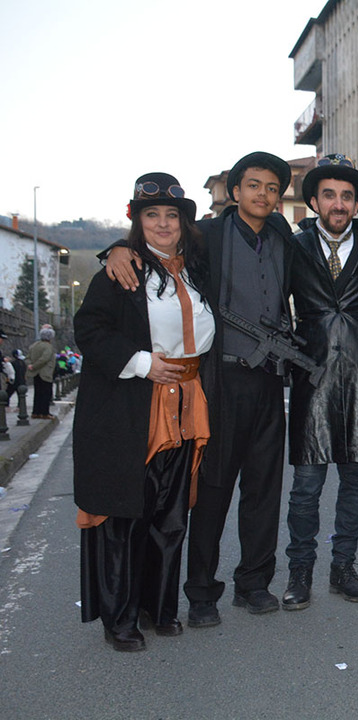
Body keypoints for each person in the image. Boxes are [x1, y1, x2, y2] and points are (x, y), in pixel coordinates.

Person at [106, 151, 297, 627]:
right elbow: (156, 242)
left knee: (264, 489)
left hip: (270, 380)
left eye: (272, 188)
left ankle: (254, 583)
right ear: (235, 191)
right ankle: (202, 592)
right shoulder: (206, 235)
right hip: (220, 380)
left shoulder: (283, 236)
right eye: (253, 185)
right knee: (212, 489)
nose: (263, 194)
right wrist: (116, 249)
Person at [74, 174, 214, 651]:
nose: (163, 224)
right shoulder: (120, 272)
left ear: (184, 223)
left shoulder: (196, 270)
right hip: (134, 405)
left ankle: (160, 607)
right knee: (125, 516)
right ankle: (120, 619)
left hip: (187, 402)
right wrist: (141, 363)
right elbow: (89, 331)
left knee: (170, 516)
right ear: (136, 221)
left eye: (171, 215)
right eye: (152, 215)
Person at [281, 154, 358, 610]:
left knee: (355, 482)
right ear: (314, 202)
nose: (338, 203)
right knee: (306, 485)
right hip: (312, 375)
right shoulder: (293, 245)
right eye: (329, 195)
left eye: (346, 196)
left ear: (356, 204)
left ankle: (343, 567)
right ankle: (300, 570)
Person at [26, 325, 56, 419]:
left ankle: (36, 412)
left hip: (35, 373)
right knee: (46, 393)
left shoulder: (34, 345)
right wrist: (35, 366)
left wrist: (30, 365)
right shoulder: (48, 347)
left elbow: (28, 357)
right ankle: (45, 413)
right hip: (45, 373)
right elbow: (44, 359)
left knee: (38, 393)